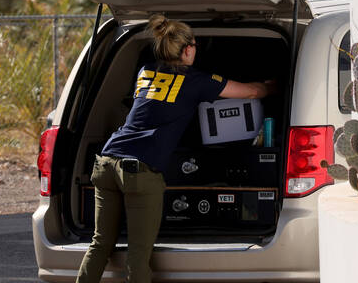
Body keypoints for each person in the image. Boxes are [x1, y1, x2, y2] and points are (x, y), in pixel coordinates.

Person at [75, 15, 275, 283]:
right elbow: (251, 92)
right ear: (187, 49)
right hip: (138, 172)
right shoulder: (197, 81)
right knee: (138, 254)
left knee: (99, 244)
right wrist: (274, 86)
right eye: (194, 44)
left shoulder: (145, 71)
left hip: (107, 162)